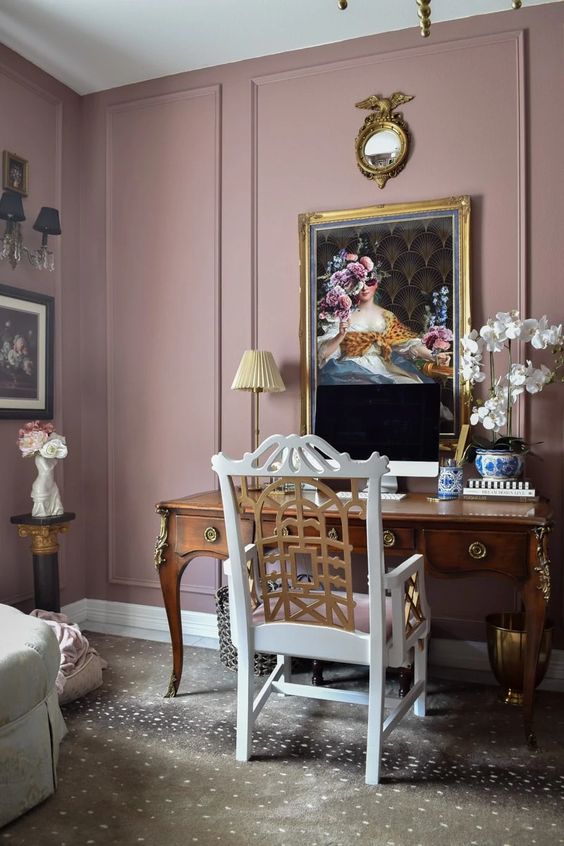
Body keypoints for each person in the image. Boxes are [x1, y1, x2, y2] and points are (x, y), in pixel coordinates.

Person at [318, 277, 451, 386]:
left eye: (369, 282)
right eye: (360, 282)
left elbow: (408, 343)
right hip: (350, 368)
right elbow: (323, 352)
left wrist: (434, 356)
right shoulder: (343, 315)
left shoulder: (387, 316)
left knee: (410, 385)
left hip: (382, 368)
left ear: (377, 283)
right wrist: (341, 335)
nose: (364, 287)